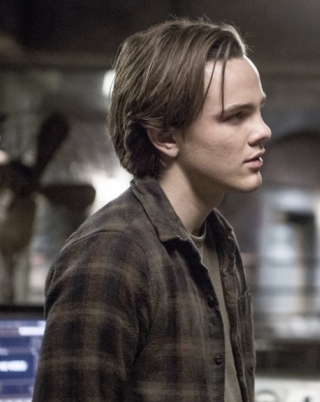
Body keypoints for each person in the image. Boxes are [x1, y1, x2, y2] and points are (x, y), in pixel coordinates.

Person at [33, 18, 271, 401]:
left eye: (258, 110)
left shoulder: (219, 241)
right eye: (235, 116)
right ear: (165, 136)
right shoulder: (111, 254)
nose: (263, 130)